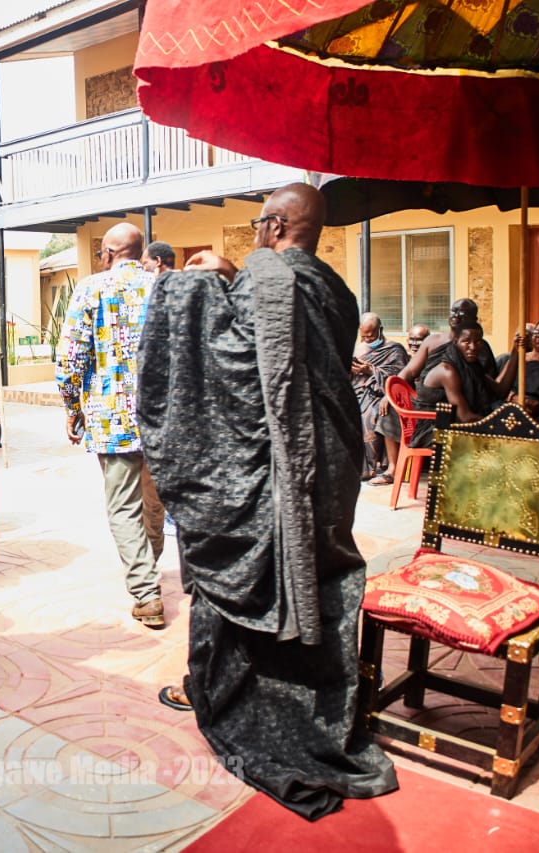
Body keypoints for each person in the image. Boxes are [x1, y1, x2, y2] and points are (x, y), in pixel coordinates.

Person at [139, 184, 398, 820]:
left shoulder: (266, 275)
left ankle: (232, 697)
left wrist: (192, 286)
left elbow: (229, 363)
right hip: (332, 465)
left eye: (259, 224)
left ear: (274, 226)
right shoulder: (336, 290)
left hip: (275, 471)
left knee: (248, 569)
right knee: (321, 574)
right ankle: (324, 705)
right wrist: (232, 278)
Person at [56, 222, 167, 628]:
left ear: (107, 254)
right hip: (162, 417)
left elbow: (71, 357)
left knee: (123, 506)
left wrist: (72, 408)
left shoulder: (92, 288)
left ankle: (146, 591)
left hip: (113, 417)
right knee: (155, 502)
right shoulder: (163, 286)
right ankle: (149, 567)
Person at [370, 301, 494, 485]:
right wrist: (390, 395)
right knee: (389, 410)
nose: (456, 316)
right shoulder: (433, 341)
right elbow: (410, 371)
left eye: (462, 314)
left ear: (474, 320)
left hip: (458, 403)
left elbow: (483, 381)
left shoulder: (476, 346)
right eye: (454, 311)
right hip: (429, 404)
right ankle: (393, 469)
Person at [406, 322, 523, 449]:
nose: (473, 347)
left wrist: (516, 351)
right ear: (455, 342)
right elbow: (465, 417)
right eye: (466, 341)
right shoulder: (447, 371)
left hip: (453, 424)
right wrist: (500, 425)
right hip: (433, 430)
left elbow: (500, 390)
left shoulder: (471, 366)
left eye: (478, 341)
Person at [351, 312, 408, 480]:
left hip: (382, 395)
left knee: (372, 414)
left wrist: (370, 370)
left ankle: (370, 467)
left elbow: (400, 378)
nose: (368, 339)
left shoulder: (395, 349)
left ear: (380, 330)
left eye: (371, 335)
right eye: (364, 336)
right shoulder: (358, 349)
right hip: (358, 392)